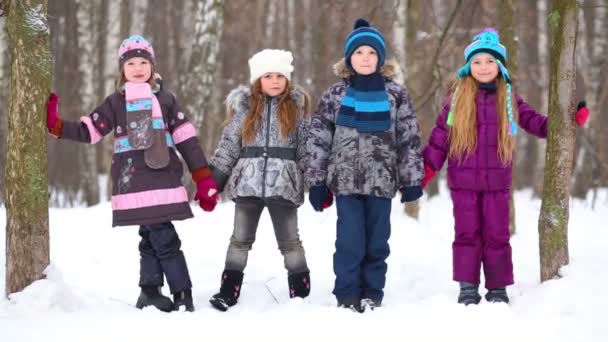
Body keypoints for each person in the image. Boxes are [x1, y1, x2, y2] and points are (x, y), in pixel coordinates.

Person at [46, 35, 219, 312]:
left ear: (152, 66)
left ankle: (168, 292)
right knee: (153, 235)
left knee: (161, 236)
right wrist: (55, 125)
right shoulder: (116, 102)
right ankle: (163, 292)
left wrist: (203, 176)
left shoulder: (165, 99)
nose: (138, 68)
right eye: (131, 63)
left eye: (143, 62)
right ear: (122, 69)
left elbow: (186, 138)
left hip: (162, 178)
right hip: (133, 181)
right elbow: (89, 131)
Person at [422, 28, 589, 305]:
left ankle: (498, 287)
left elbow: (536, 122)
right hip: (463, 184)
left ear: (500, 65)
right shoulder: (456, 100)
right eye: (477, 62)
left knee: (497, 235)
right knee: (466, 234)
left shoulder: (509, 99)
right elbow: (440, 139)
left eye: (489, 61)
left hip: (497, 184)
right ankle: (467, 287)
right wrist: (424, 171)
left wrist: (567, 122)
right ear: (468, 66)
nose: (483, 67)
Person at [305, 18, 424, 313]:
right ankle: (346, 293)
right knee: (350, 241)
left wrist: (411, 181)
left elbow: (408, 138)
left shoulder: (395, 94)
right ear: (349, 58)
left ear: (381, 58)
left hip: (382, 182)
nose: (365, 58)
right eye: (359, 53)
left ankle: (372, 292)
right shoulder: (335, 95)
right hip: (345, 182)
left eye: (372, 53)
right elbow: (318, 139)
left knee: (377, 242)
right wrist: (317, 182)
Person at [208, 49, 312, 312]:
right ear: (258, 80)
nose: (275, 81)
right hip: (248, 185)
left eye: (280, 75)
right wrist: (213, 182)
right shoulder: (244, 111)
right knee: (239, 239)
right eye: (268, 76)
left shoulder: (297, 113)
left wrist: (318, 183)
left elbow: (307, 151)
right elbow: (229, 147)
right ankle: (228, 290)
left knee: (290, 241)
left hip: (284, 186)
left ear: (288, 79)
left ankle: (300, 292)